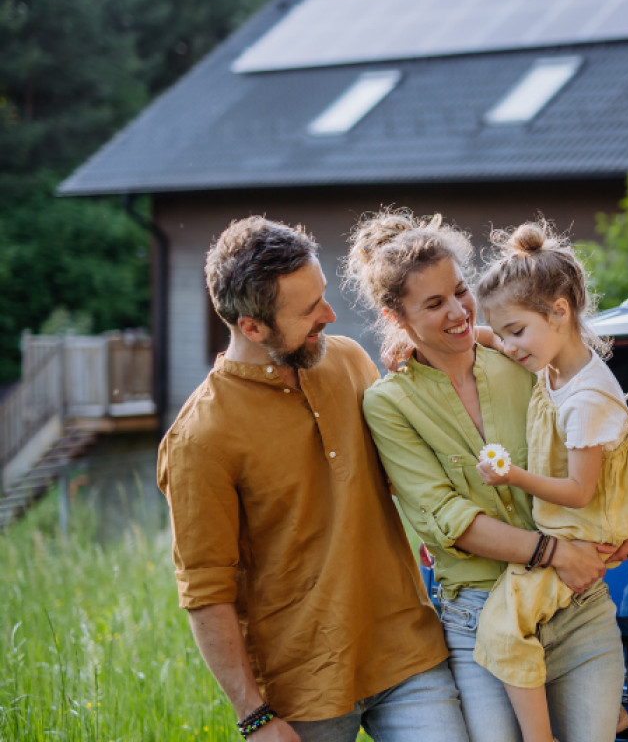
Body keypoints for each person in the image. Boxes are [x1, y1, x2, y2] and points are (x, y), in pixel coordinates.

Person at [345, 209, 628, 742]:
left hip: (574, 605)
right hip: (482, 617)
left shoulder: (516, 355)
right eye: (435, 304)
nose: (459, 312)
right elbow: (447, 518)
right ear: (398, 319)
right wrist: (555, 551)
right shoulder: (389, 403)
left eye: (460, 292)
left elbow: (600, 420)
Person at [157, 217, 468, 741]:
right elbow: (206, 590)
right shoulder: (199, 438)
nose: (330, 314)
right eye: (308, 311)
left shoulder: (347, 360)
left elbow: (411, 478)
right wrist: (254, 716)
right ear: (251, 327)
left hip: (406, 651)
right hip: (300, 685)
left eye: (323, 296)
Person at [467, 221, 628, 742]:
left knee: (503, 630)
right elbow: (500, 338)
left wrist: (512, 475)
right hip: (575, 525)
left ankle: (539, 737)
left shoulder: (586, 398)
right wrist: (468, 337)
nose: (508, 345)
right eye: (501, 332)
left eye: (515, 331)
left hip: (584, 526)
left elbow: (579, 491)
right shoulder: (552, 358)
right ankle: (606, 707)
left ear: (560, 312)